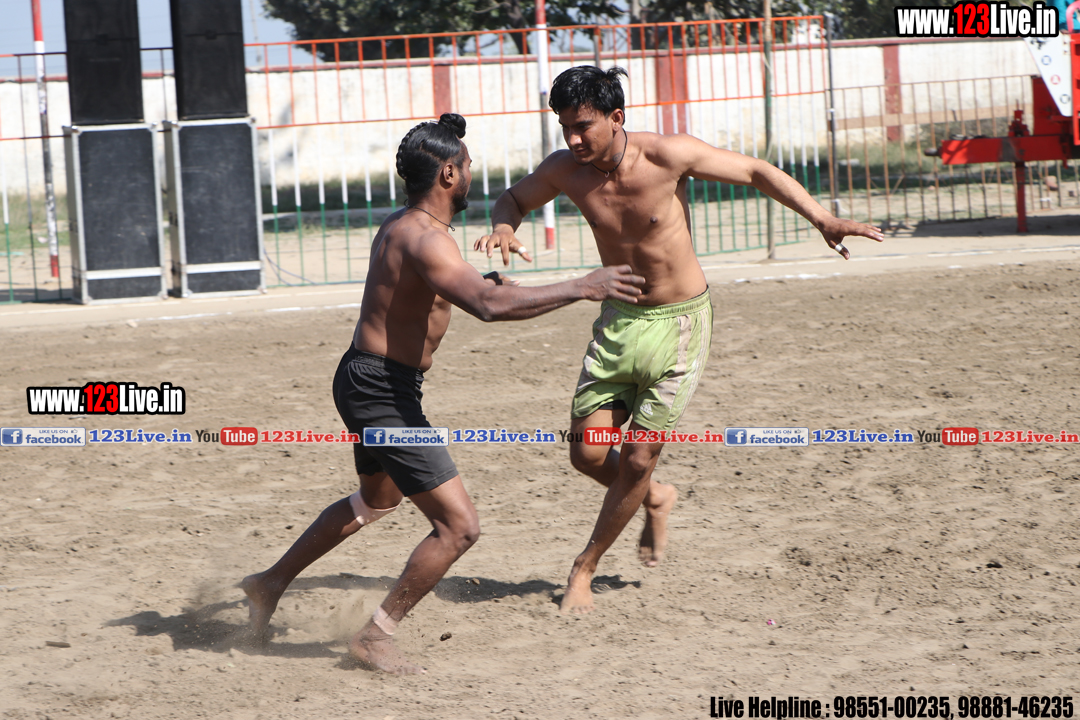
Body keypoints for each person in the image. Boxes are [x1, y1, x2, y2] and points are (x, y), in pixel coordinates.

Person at [241, 113, 645, 674]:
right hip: (381, 392)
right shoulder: (427, 238)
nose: (473, 173)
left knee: (377, 501)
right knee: (459, 527)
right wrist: (583, 285)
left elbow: (445, 290)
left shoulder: (407, 225)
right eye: (468, 165)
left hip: (367, 379)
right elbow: (487, 307)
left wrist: (492, 284)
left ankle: (268, 583)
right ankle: (375, 636)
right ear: (449, 174)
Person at [476, 66, 884, 615]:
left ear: (616, 118)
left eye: (582, 126)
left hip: (681, 324)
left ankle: (584, 568)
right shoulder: (564, 170)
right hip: (619, 321)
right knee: (587, 454)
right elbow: (513, 198)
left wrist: (822, 219)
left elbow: (757, 171)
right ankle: (655, 496)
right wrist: (504, 226)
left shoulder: (668, 155)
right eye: (564, 127)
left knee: (638, 458)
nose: (572, 139)